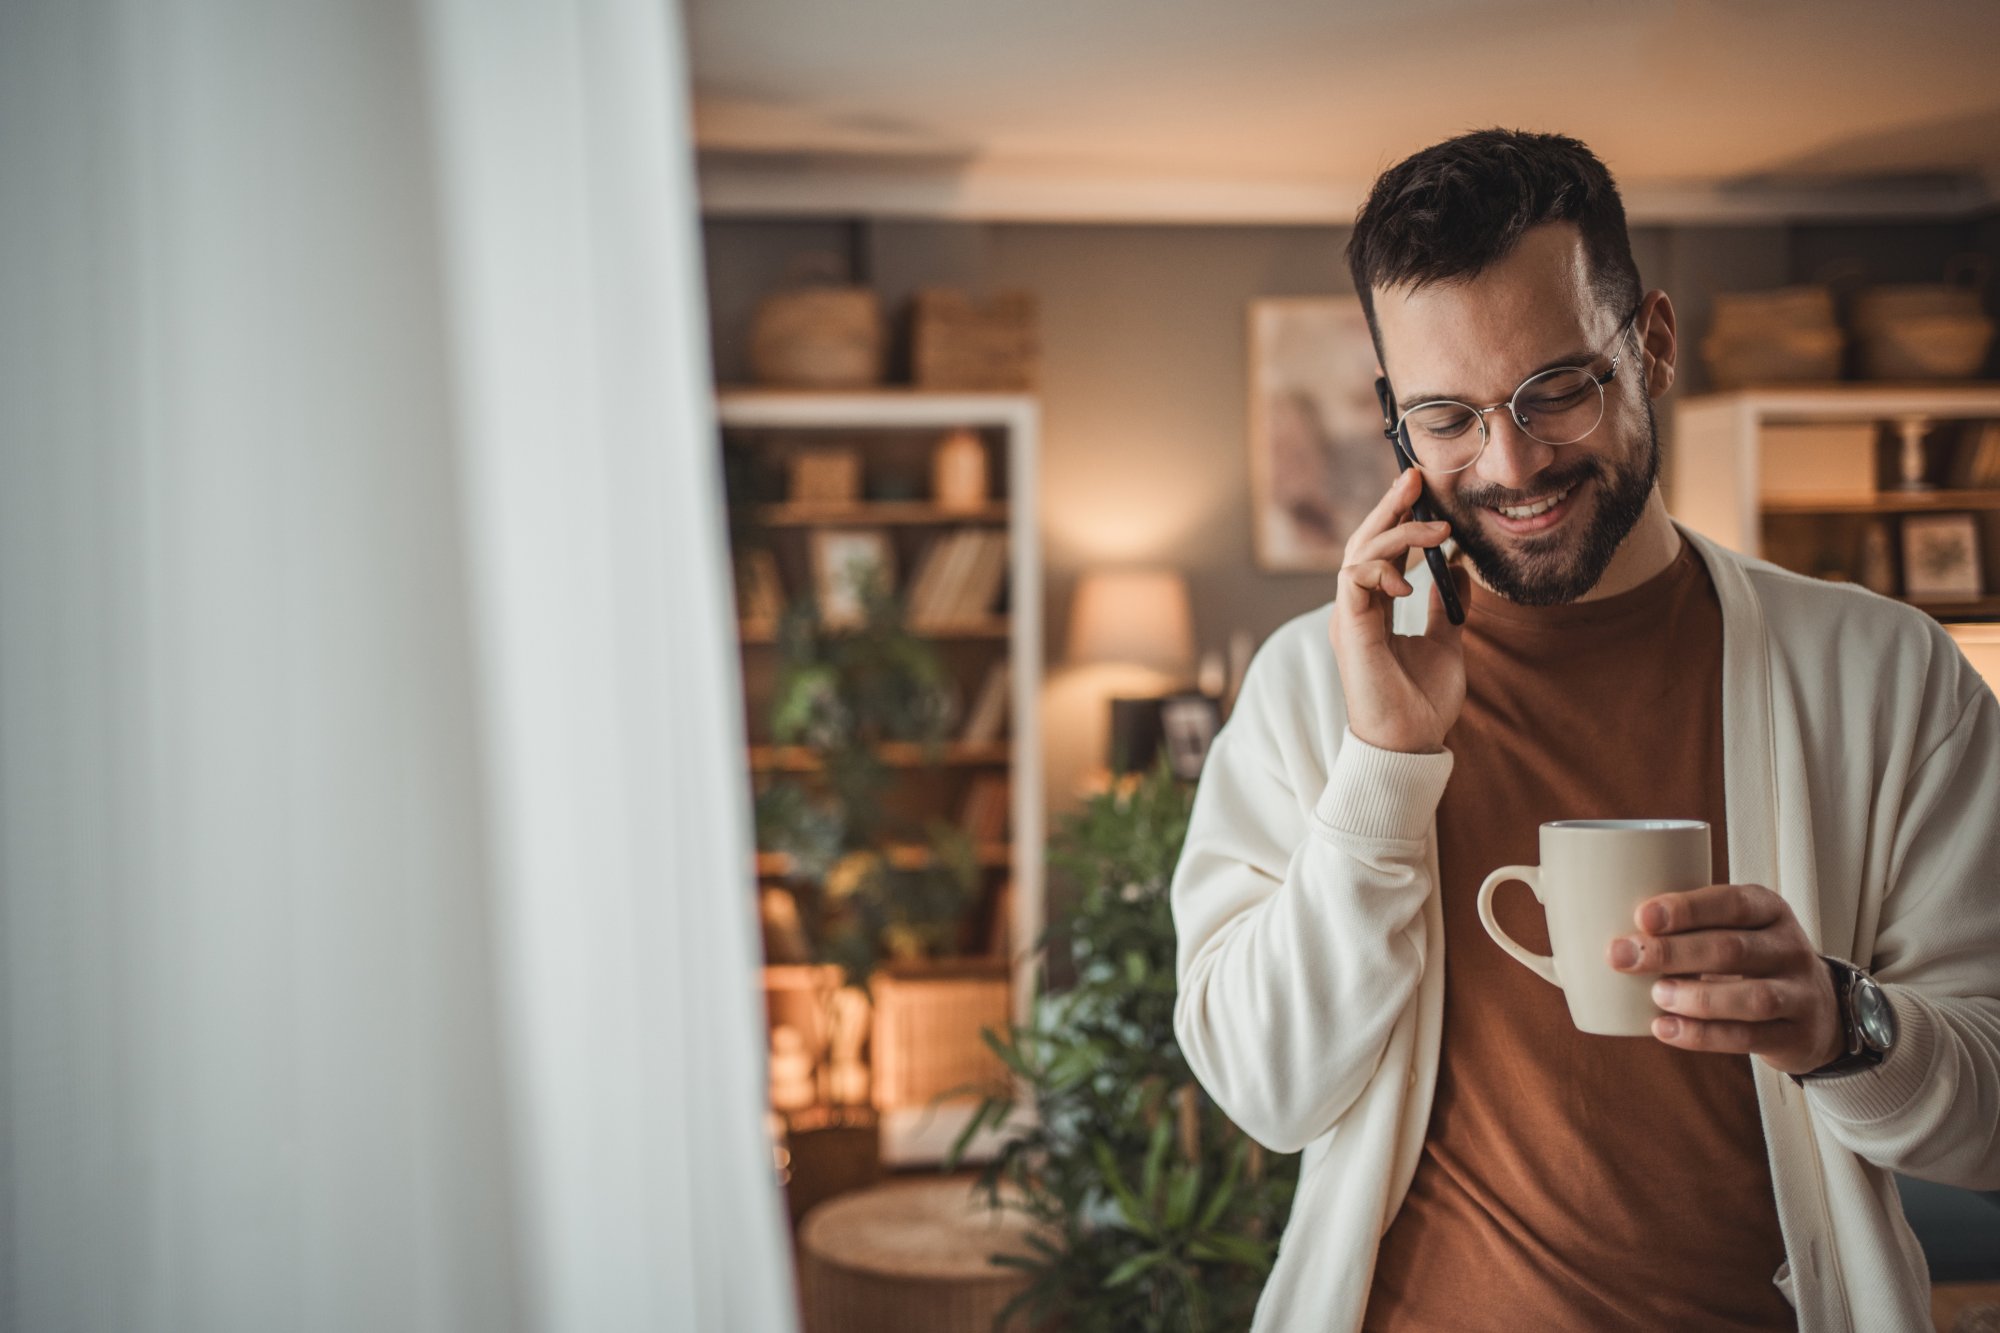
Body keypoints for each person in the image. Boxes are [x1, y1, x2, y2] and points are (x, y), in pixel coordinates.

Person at [1170, 129, 2000, 1332]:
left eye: (1553, 389)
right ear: (1390, 418)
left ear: (1649, 343)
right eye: (1445, 416)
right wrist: (1382, 770)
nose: (1509, 463)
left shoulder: (1883, 674)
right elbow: (1268, 1089)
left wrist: (1840, 1024)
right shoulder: (1309, 689)